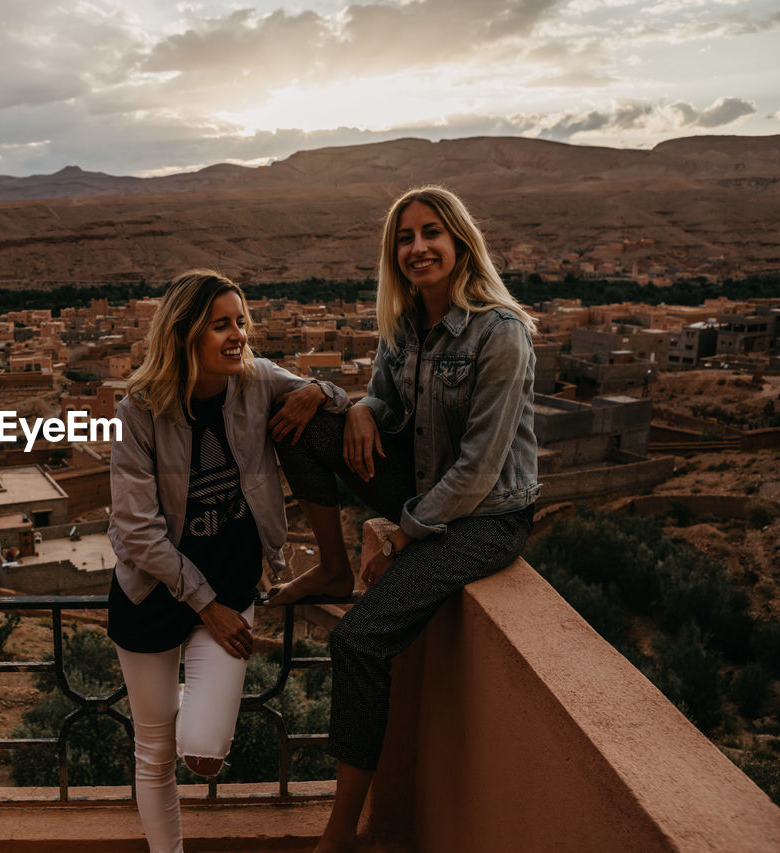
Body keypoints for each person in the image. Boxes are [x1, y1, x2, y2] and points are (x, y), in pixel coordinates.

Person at [266, 186, 540, 852]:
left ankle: (341, 831)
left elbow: (476, 472)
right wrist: (347, 402)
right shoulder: (402, 326)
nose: (417, 247)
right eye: (405, 237)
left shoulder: (499, 334)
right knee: (300, 425)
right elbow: (383, 409)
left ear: (459, 242)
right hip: (420, 486)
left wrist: (400, 526)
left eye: (431, 233)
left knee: (359, 642)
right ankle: (332, 568)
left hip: (484, 518)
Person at [107, 269, 350, 853]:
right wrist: (204, 604)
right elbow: (137, 532)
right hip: (153, 598)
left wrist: (323, 392)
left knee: (204, 755)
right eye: (221, 325)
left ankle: (189, 696)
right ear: (186, 335)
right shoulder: (138, 411)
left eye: (241, 321)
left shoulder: (257, 381)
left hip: (231, 596)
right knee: (155, 753)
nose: (237, 335)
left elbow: (329, 396)